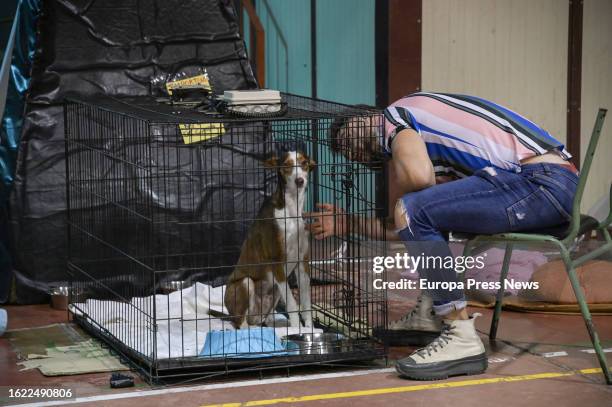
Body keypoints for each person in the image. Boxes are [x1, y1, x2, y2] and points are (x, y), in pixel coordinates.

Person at [305, 92, 578, 380]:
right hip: (547, 187)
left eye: (348, 141)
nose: (352, 153)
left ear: (366, 118)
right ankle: (429, 313)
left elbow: (418, 184)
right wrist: (349, 223)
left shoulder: (392, 117)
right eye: (347, 153)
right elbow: (408, 226)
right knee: (420, 212)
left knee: (413, 207)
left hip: (543, 183)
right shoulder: (439, 149)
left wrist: (409, 195)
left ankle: (460, 337)